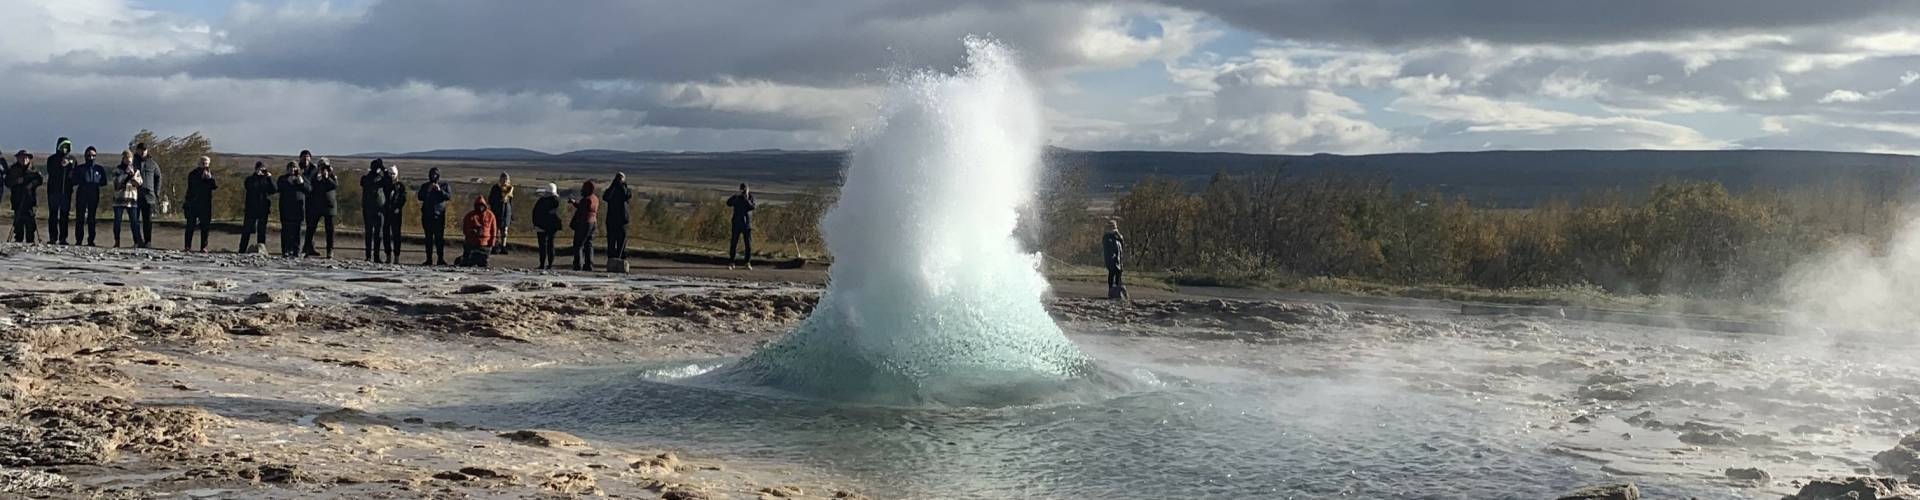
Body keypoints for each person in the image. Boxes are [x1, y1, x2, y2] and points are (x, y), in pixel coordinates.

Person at [180, 156, 219, 252]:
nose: (204, 165)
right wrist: (201, 178)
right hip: (193, 203)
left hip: (205, 204)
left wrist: (209, 178)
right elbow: (193, 186)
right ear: (199, 163)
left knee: (205, 227)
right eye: (203, 163)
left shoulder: (211, 174)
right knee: (190, 226)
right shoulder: (193, 174)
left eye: (206, 163)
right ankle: (187, 246)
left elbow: (214, 186)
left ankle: (203, 247)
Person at [303, 158, 339, 258]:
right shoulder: (314, 175)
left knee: (330, 229)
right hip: (316, 205)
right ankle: (307, 248)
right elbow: (310, 187)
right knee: (311, 227)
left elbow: (335, 185)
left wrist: (327, 177)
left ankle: (330, 250)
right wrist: (317, 180)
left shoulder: (332, 175)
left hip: (329, 205)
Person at [71, 146, 107, 246]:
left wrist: (96, 183)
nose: (91, 158)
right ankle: (79, 240)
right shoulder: (80, 168)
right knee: (80, 218)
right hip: (82, 194)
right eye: (89, 155)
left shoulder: (99, 169)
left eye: (93, 156)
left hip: (94, 194)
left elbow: (104, 182)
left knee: (92, 218)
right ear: (85, 156)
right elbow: (73, 181)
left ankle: (91, 240)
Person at [417, 168, 452, 266]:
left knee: (439, 238)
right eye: (432, 174)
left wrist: (439, 190)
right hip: (427, 215)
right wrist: (428, 190)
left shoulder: (444, 186)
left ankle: (440, 259)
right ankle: (429, 259)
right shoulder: (425, 186)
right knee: (428, 238)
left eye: (435, 175)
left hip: (439, 216)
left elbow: (448, 197)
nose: (434, 176)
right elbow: (420, 197)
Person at [276, 162, 311, 258]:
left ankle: (296, 251)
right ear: (287, 169)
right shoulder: (282, 179)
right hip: (285, 209)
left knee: (297, 231)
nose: (292, 170)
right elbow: (278, 188)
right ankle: (285, 250)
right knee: (286, 231)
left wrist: (302, 183)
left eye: (294, 168)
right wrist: (288, 182)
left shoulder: (302, 178)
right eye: (290, 168)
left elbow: (309, 190)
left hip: (298, 209)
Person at [7, 151, 43, 243]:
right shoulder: (13, 170)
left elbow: (39, 180)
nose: (24, 160)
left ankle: (30, 240)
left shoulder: (33, 170)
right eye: (22, 158)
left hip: (30, 199)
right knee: (18, 220)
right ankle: (18, 240)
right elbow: (7, 182)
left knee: (30, 221)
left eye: (26, 158)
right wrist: (16, 182)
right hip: (17, 198)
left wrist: (32, 184)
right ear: (18, 159)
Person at [132, 143, 163, 249]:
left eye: (145, 149)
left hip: (149, 196)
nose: (143, 151)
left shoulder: (153, 164)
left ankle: (148, 241)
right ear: (137, 150)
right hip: (134, 195)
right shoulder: (132, 162)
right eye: (141, 149)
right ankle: (137, 241)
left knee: (147, 221)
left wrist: (156, 192)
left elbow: (158, 177)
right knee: (134, 220)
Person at [239, 161, 275, 252]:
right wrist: (256, 176)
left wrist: (269, 178)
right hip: (251, 208)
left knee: (262, 231)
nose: (261, 171)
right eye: (260, 168)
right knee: (246, 230)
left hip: (263, 208)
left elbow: (274, 189)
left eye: (263, 169)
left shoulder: (267, 180)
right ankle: (242, 249)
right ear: (255, 169)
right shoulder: (250, 179)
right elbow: (249, 187)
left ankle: (261, 249)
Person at [45, 138, 75, 245]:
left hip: (66, 191)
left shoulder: (72, 159)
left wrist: (70, 170)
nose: (64, 149)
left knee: (64, 215)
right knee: (53, 214)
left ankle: (63, 238)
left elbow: (74, 174)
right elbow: (50, 171)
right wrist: (60, 165)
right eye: (62, 147)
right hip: (53, 190)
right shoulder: (52, 159)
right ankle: (53, 237)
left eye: (66, 147)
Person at [360, 159, 391, 262]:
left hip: (379, 209)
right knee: (369, 232)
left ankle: (376, 256)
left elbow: (389, 182)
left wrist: (384, 169)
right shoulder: (366, 179)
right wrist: (378, 170)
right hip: (368, 208)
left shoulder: (382, 180)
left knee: (378, 234)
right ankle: (368, 255)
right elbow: (366, 182)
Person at [111, 151, 143, 247]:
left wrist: (132, 175)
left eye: (129, 159)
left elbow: (139, 183)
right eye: (125, 158)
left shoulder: (136, 171)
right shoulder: (117, 170)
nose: (127, 161)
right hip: (119, 199)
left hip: (131, 199)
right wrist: (125, 175)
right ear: (123, 159)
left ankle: (137, 241)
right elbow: (116, 183)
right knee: (117, 221)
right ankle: (117, 241)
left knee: (134, 221)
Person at [458, 196, 497, 267]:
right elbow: (465, 229)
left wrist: (492, 243)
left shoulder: (490, 215)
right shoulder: (469, 216)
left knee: (483, 265)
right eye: (478, 206)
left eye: (482, 206)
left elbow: (493, 230)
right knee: (467, 264)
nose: (480, 208)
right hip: (471, 243)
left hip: (485, 245)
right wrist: (471, 232)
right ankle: (462, 260)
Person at [569, 180, 598, 271]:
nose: (582, 190)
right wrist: (575, 203)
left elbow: (580, 211)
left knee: (578, 245)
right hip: (593, 223)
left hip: (584, 223)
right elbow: (584, 208)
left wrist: (573, 222)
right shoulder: (595, 199)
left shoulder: (586, 200)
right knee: (588, 244)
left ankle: (578, 265)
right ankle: (589, 264)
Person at [603, 173, 633, 260]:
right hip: (612, 220)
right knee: (611, 242)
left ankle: (621, 260)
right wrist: (614, 185)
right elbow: (605, 197)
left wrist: (621, 185)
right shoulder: (611, 190)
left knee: (622, 242)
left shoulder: (626, 190)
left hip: (622, 220)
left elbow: (626, 195)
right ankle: (611, 259)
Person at [726, 183, 756, 270]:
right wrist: (735, 198)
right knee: (734, 243)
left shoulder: (751, 198)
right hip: (736, 223)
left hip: (747, 224)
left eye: (745, 191)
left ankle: (747, 262)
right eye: (742, 191)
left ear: (748, 190)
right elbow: (728, 203)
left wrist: (746, 199)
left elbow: (752, 207)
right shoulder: (737, 197)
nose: (743, 193)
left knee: (748, 244)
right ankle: (732, 262)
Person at [531, 183, 561, 270]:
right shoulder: (556, 202)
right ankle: (550, 264)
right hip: (552, 227)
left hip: (541, 227)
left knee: (542, 246)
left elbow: (535, 213)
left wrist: (535, 224)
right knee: (551, 245)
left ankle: (542, 264)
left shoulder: (541, 202)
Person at [381, 164, 407, 263]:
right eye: (390, 173)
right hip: (386, 213)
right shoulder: (386, 185)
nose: (392, 175)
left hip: (396, 214)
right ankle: (388, 255)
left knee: (396, 235)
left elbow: (403, 198)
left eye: (393, 174)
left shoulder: (400, 186)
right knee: (386, 234)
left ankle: (396, 256)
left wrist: (398, 207)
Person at [486, 173, 513, 255]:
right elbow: (490, 200)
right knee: (496, 231)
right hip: (497, 212)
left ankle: (503, 247)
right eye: (504, 179)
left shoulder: (510, 189)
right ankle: (495, 246)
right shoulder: (495, 188)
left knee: (504, 231)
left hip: (506, 212)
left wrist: (511, 214)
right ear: (500, 179)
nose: (505, 181)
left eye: (506, 179)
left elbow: (511, 203)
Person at [1103, 220, 1126, 298]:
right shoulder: (1107, 238)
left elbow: (1122, 245)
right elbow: (1109, 248)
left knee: (1118, 274)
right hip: (1112, 259)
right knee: (1112, 273)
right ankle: (1112, 289)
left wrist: (1120, 237)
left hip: (1118, 259)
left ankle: (1118, 289)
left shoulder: (1117, 238)